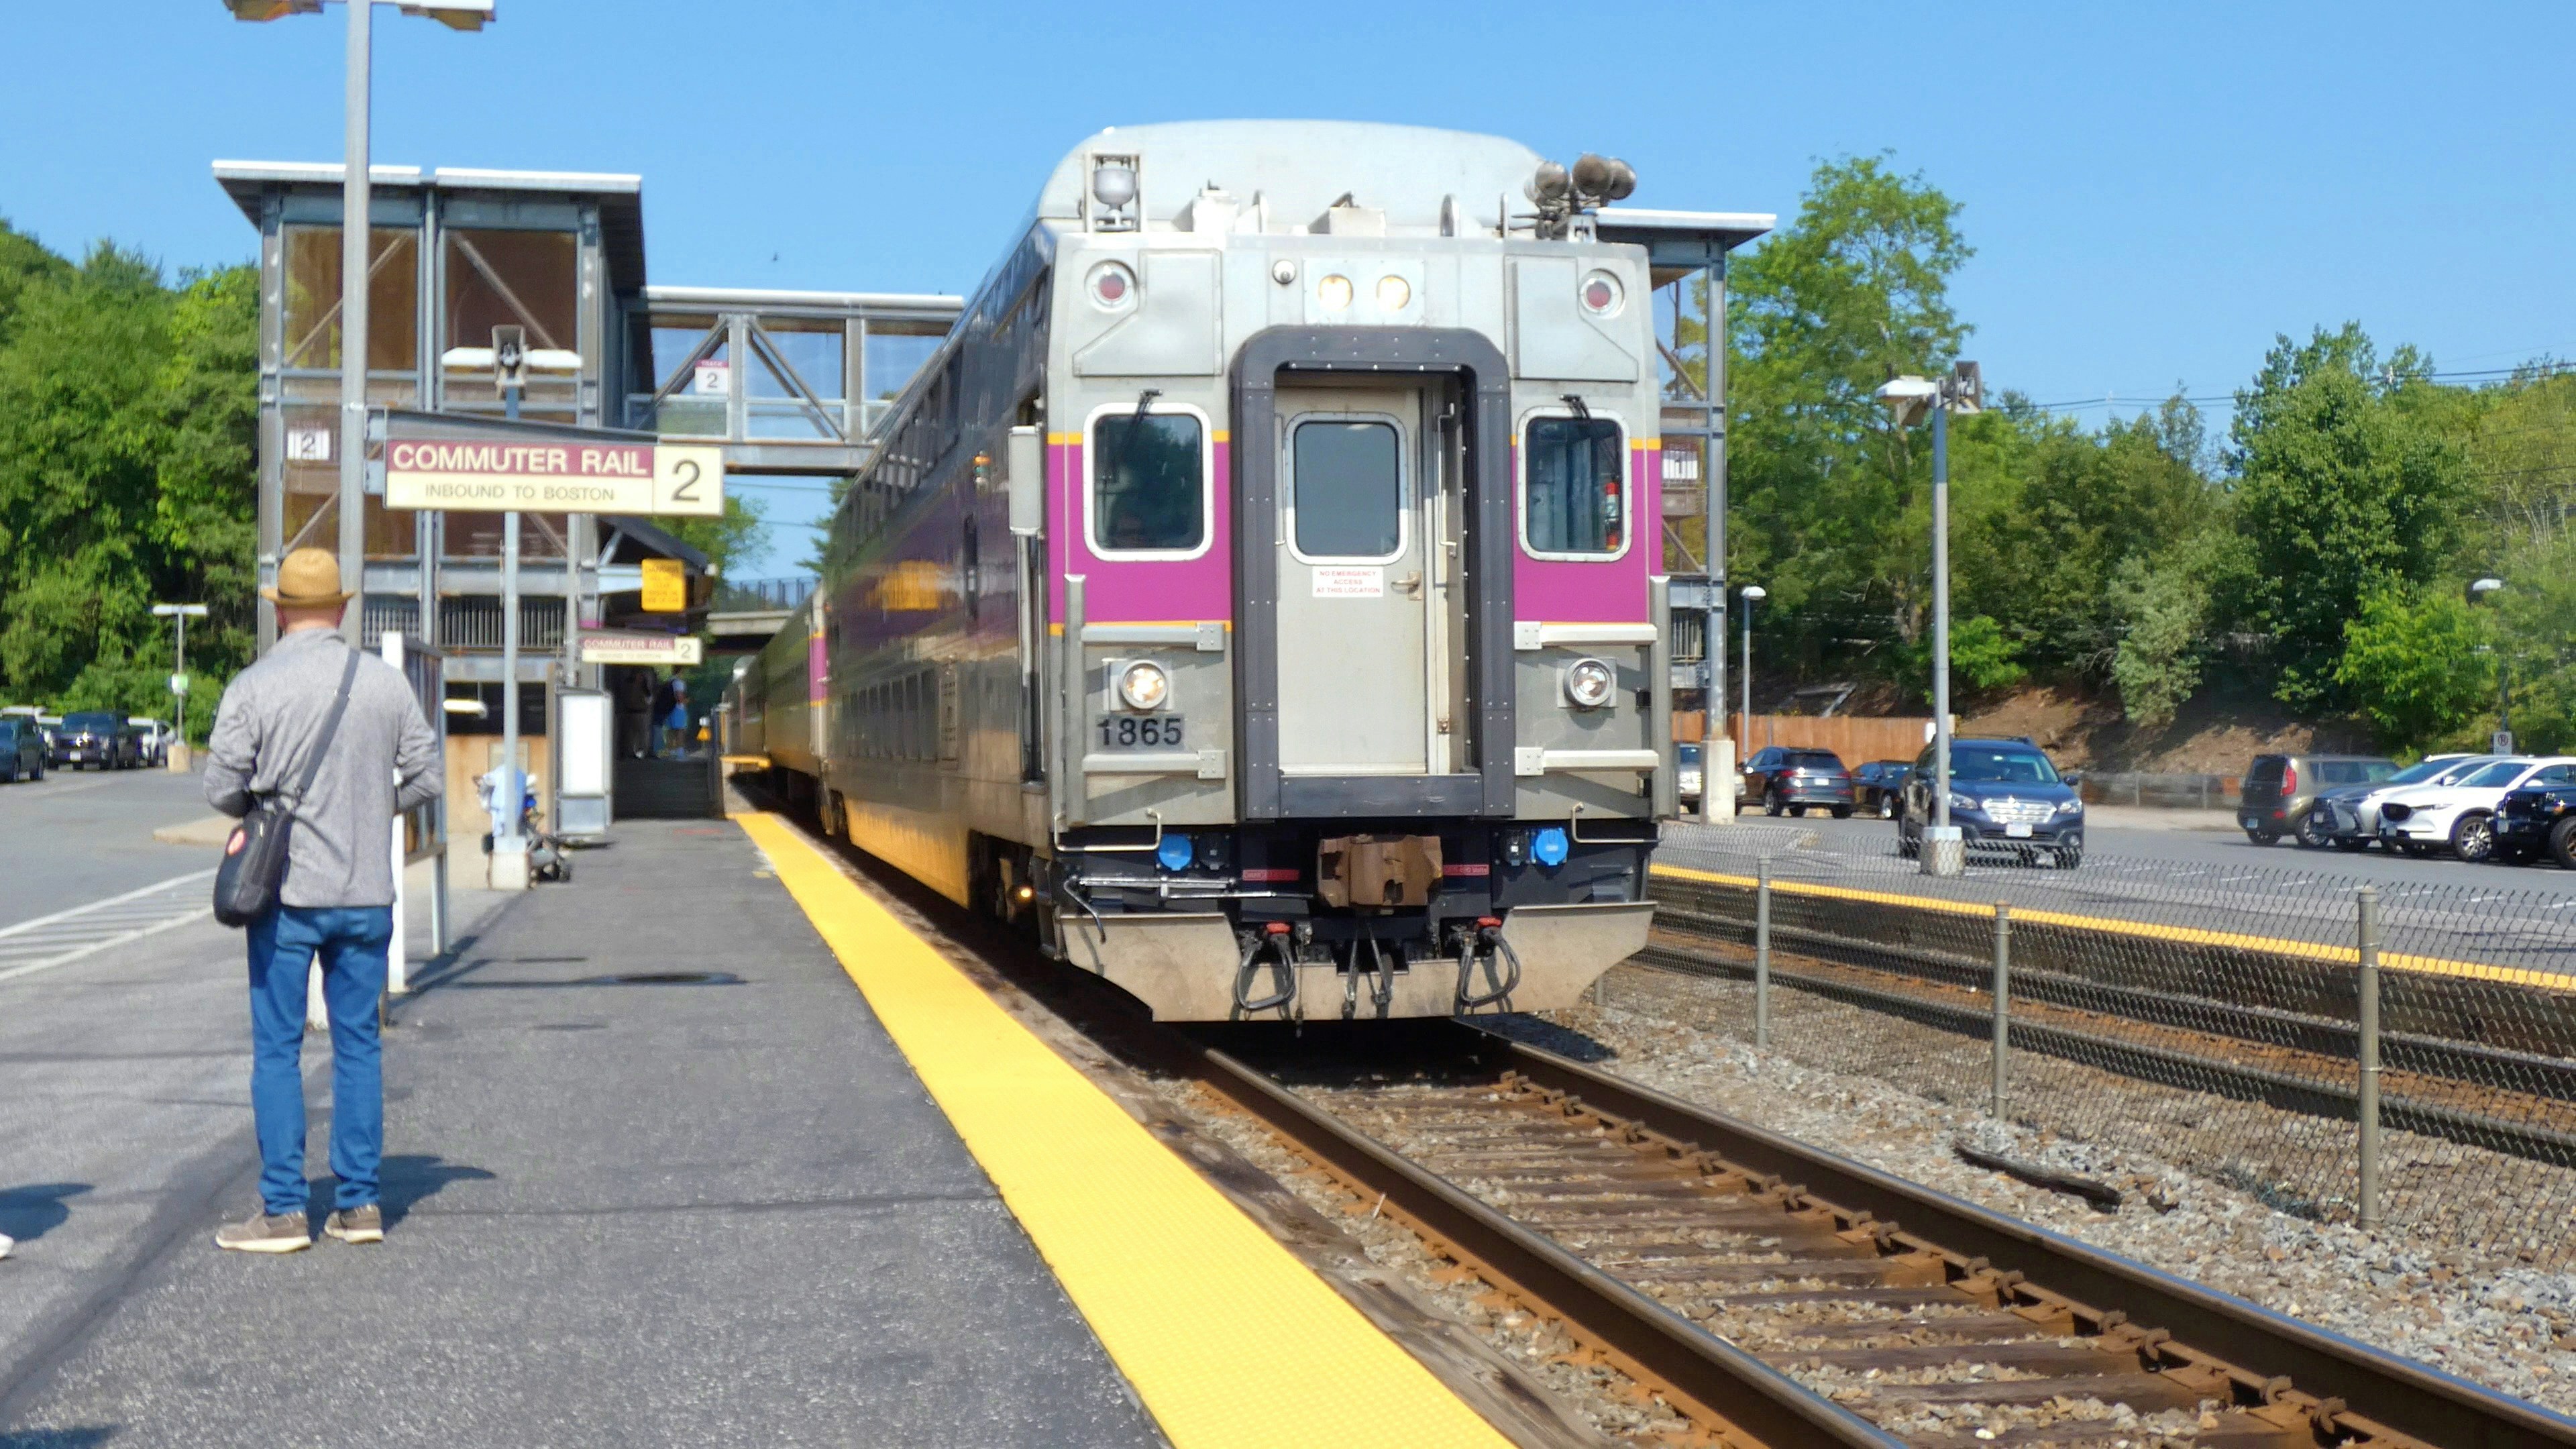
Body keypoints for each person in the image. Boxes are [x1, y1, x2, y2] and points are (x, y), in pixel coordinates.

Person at [203, 548, 441, 1254]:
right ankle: (359, 1205)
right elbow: (427, 777)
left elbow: (220, 788)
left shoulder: (254, 685)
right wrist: (372, 809)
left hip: (285, 895)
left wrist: (267, 810)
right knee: (358, 1046)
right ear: (341, 609)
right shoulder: (385, 685)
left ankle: (283, 1212)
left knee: (278, 1050)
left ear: (280, 612)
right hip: (366, 896)